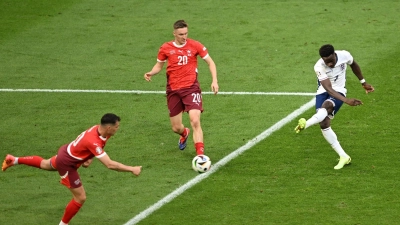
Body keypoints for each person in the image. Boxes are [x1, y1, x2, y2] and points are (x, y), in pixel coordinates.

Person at [2, 113, 142, 225]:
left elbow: (90, 148)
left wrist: (89, 158)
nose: (118, 128)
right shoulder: (93, 140)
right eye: (117, 126)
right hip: (67, 163)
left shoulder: (101, 131)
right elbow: (110, 164)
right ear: (109, 128)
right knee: (80, 197)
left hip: (67, 152)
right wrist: (132, 169)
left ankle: (13, 160)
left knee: (45, 164)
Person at [144, 19, 219, 156]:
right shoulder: (165, 48)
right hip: (173, 90)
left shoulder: (195, 45)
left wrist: (214, 80)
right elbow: (159, 65)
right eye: (181, 34)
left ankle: (200, 155)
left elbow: (210, 62)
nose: (184, 37)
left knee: (195, 120)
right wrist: (151, 72)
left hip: (191, 88)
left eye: (186, 33)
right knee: (176, 127)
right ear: (174, 33)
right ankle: (184, 133)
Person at [294, 44, 374, 170]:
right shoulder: (319, 66)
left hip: (339, 91)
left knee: (326, 107)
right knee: (324, 123)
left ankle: (306, 124)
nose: (329, 64)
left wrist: (363, 82)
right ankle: (344, 156)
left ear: (334, 54)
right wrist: (347, 101)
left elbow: (353, 65)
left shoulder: (344, 55)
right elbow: (328, 89)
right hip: (324, 91)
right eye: (327, 62)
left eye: (331, 61)